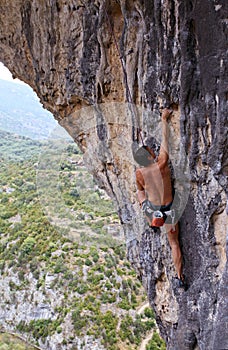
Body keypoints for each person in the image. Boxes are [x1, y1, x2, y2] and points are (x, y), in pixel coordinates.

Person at [134, 108, 186, 289]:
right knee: (174, 244)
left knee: (144, 200)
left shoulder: (139, 173)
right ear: (149, 155)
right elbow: (166, 141)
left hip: (155, 209)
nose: (153, 151)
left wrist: (143, 203)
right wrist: (164, 119)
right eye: (150, 150)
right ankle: (180, 277)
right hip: (170, 209)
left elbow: (140, 190)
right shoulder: (162, 163)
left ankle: (151, 218)